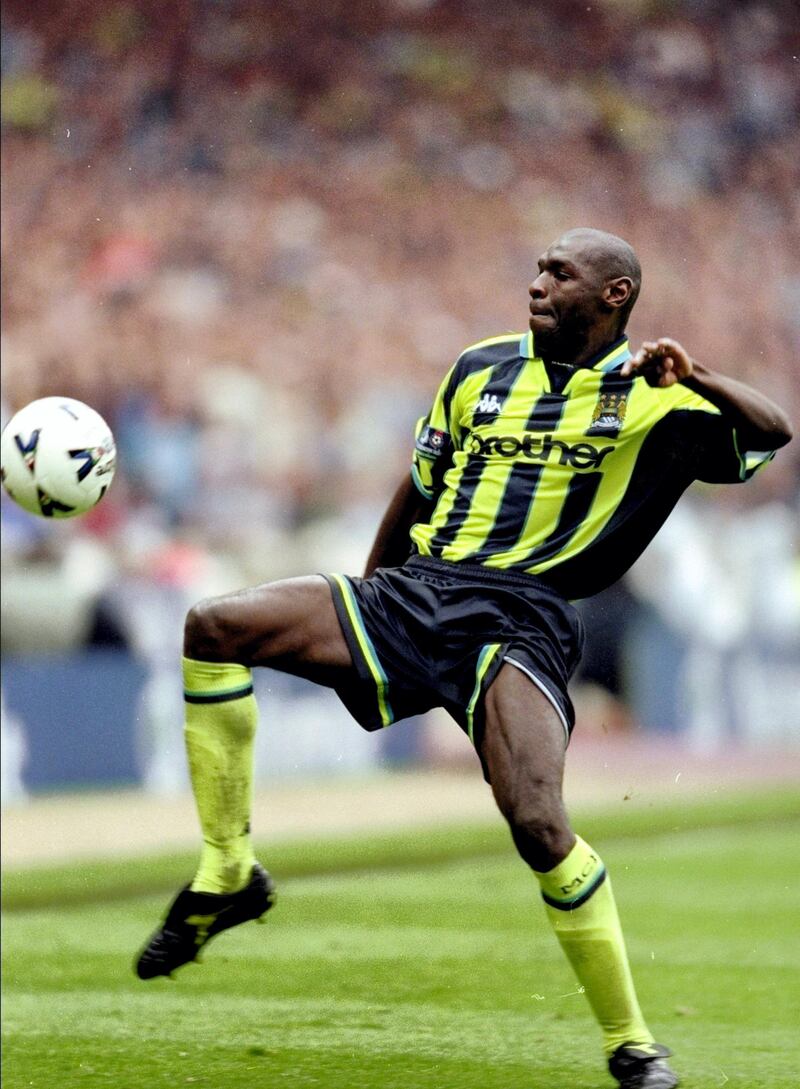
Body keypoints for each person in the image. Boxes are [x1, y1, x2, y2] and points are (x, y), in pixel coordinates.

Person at [134, 228, 792, 1089]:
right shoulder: (478, 368)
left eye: (560, 274)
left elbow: (772, 431)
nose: (537, 284)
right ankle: (228, 871)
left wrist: (696, 374)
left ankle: (632, 1043)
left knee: (538, 822)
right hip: (415, 594)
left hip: (522, 618)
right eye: (536, 268)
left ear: (614, 296)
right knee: (214, 625)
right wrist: (369, 595)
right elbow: (418, 484)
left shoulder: (657, 400)